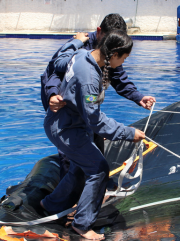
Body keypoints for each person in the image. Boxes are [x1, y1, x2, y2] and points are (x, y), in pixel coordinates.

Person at [41, 30, 145, 240]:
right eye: (123, 58)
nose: (122, 63)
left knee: (81, 169)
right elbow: (95, 120)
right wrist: (128, 133)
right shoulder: (89, 77)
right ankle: (82, 224)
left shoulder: (82, 54)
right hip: (66, 129)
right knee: (99, 169)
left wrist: (75, 41)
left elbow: (60, 59)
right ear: (113, 54)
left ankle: (51, 204)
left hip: (68, 123)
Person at [40, 13, 155, 179]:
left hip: (87, 103)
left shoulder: (112, 51)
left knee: (95, 135)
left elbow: (119, 79)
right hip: (61, 104)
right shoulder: (82, 46)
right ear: (99, 31)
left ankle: (97, 182)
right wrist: (52, 94)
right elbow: (55, 69)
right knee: (70, 149)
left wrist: (138, 96)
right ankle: (71, 197)